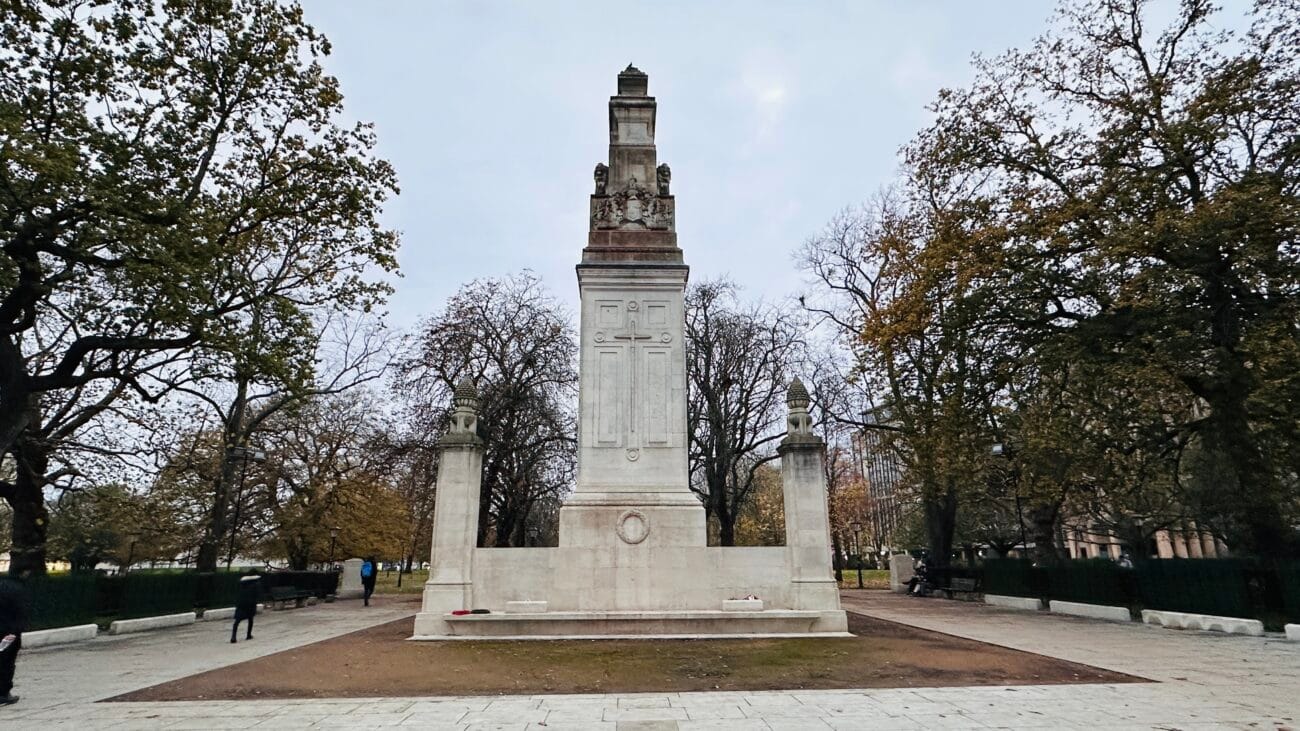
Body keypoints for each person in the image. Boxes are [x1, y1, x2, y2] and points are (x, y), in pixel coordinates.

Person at [0, 576, 30, 705]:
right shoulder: (16, 589)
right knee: (6, 660)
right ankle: (3, 692)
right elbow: (21, 610)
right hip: (9, 630)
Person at [231, 574, 261, 644]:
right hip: (250, 605)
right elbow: (257, 595)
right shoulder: (255, 585)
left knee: (237, 621)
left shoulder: (241, 585)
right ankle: (248, 635)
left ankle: (233, 637)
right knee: (250, 619)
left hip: (241, 604)